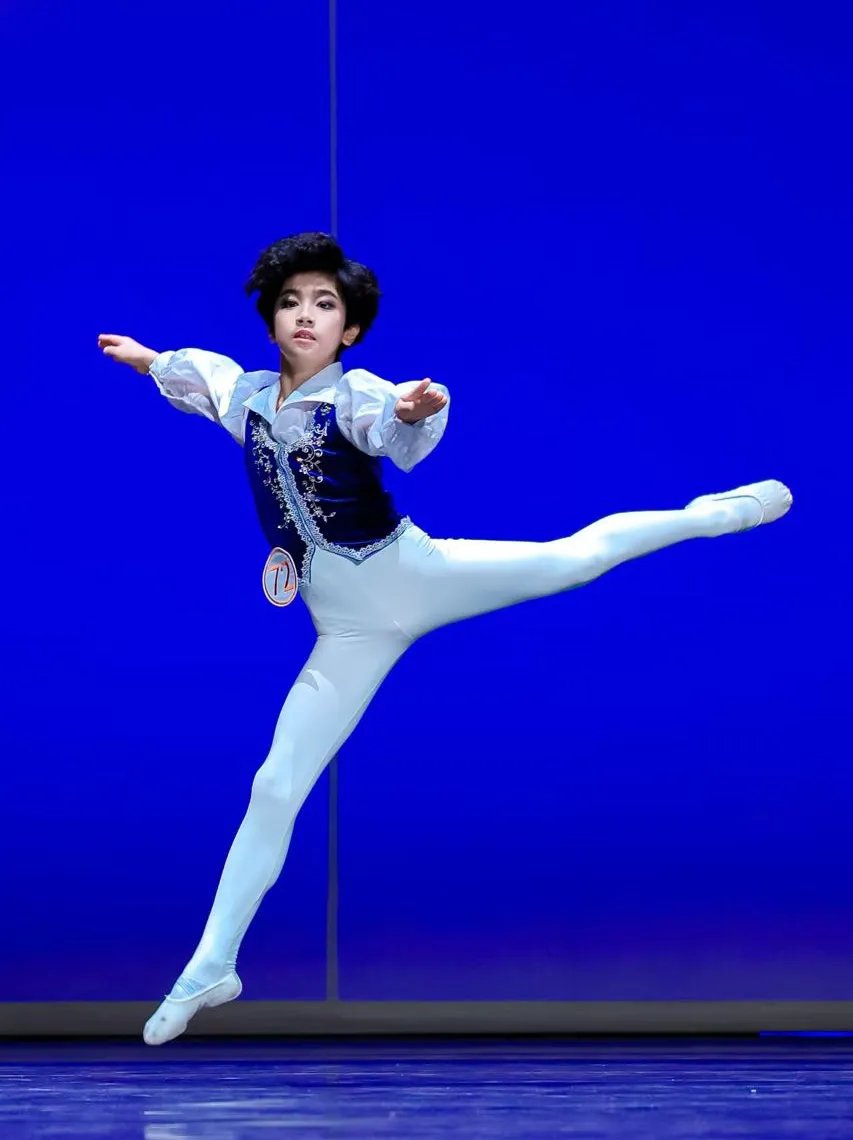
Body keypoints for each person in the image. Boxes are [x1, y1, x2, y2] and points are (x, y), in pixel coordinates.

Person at [98, 231, 792, 1045]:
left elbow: (381, 420)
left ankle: (712, 514)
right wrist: (147, 359)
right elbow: (198, 374)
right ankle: (212, 965)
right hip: (345, 630)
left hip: (414, 573)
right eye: (290, 302)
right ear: (271, 318)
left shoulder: (354, 394)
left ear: (351, 328)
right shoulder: (247, 397)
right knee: (274, 785)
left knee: (574, 559)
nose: (305, 315)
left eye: (325, 304)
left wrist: (407, 411)